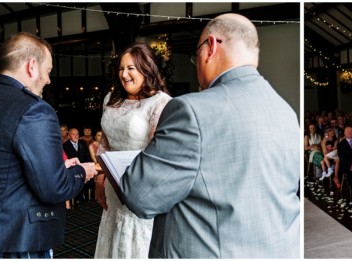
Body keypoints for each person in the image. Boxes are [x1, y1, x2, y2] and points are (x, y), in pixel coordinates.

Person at [120, 13, 299, 258]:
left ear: (211, 47)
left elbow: (141, 196)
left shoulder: (191, 111)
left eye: (196, 55)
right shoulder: (286, 111)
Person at [0, 32, 96, 258]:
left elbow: (0, 167)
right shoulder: (34, 109)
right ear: (32, 66)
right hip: (10, 241)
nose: (48, 79)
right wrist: (80, 171)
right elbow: (54, 189)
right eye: (48, 71)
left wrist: (59, 168)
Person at [93, 42, 172, 258]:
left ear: (146, 69)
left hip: (140, 186)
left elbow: (161, 152)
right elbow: (105, 142)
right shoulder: (111, 99)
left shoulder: (161, 103)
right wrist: (100, 178)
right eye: (121, 68)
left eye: (131, 68)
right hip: (112, 186)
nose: (124, 74)